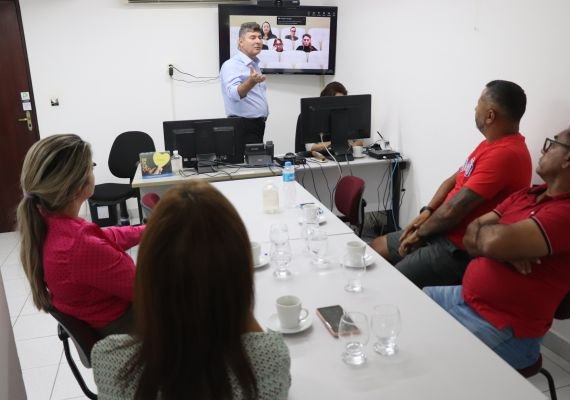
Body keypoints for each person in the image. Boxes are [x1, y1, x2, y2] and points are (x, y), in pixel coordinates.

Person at [91, 180, 291, 400]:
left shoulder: (109, 359)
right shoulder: (270, 359)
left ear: (147, 273)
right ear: (241, 274)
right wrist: (239, 305)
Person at [424, 128, 570, 369]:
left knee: (429, 359)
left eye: (552, 144)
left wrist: (500, 243)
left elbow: (490, 241)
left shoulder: (565, 212)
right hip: (467, 298)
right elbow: (474, 229)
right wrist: (507, 251)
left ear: (567, 158)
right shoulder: (526, 194)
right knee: (409, 312)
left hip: (505, 326)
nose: (543, 150)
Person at [371, 80, 532, 288]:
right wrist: (427, 212)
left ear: (491, 115)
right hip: (439, 229)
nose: (475, 108)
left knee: (393, 282)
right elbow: (452, 181)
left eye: (479, 102)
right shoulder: (489, 144)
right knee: (375, 247)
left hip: (456, 247)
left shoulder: (506, 154)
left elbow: (454, 209)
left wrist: (420, 234)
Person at [17, 134, 144, 336]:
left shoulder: (50, 224)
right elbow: (148, 290)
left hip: (103, 320)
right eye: (91, 167)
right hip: (128, 330)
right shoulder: (79, 246)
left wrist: (147, 230)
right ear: (78, 182)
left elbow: (103, 237)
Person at [220, 22, 268, 144]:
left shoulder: (254, 64)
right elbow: (234, 94)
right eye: (252, 37)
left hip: (256, 125)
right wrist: (251, 82)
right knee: (246, 163)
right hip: (243, 126)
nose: (258, 41)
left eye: (260, 37)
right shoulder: (231, 65)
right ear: (241, 42)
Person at [295, 81, 364, 153]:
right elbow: (311, 148)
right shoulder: (313, 118)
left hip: (343, 157)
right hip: (320, 160)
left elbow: (360, 142)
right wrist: (334, 144)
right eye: (336, 102)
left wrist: (347, 148)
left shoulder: (346, 117)